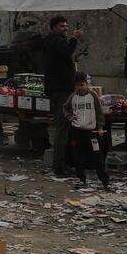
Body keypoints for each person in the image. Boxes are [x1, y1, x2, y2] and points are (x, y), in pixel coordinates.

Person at [39, 17, 78, 173]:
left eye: (66, 25)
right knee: (62, 127)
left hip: (59, 89)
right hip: (61, 90)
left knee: (63, 127)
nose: (65, 28)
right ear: (53, 27)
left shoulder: (52, 41)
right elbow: (67, 51)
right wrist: (75, 39)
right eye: (62, 26)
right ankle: (59, 166)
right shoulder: (55, 41)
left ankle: (63, 163)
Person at [62, 75, 110, 189]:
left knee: (97, 156)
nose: (80, 88)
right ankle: (81, 179)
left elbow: (99, 111)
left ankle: (104, 181)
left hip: (92, 131)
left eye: (82, 85)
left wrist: (100, 127)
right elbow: (65, 107)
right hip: (77, 131)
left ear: (86, 84)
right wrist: (70, 117)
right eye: (78, 85)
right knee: (78, 156)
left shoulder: (92, 95)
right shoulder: (73, 97)